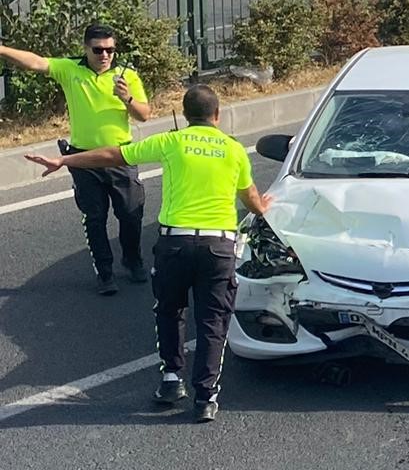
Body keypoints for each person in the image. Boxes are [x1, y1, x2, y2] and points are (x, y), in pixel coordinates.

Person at [27, 85, 268, 422]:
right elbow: (251, 197)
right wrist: (263, 207)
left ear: (185, 116)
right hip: (218, 246)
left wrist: (65, 159)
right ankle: (205, 398)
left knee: (169, 310)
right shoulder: (234, 149)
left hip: (174, 243)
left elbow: (114, 155)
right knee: (212, 321)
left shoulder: (171, 142)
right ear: (217, 115)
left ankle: (171, 380)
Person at [0, 24, 151, 294]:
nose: (105, 55)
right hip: (82, 158)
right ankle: (105, 274)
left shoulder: (126, 76)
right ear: (86, 49)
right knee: (94, 217)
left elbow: (144, 115)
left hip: (121, 156)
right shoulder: (71, 69)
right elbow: (35, 63)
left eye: (110, 50)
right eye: (98, 50)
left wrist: (127, 98)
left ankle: (132, 259)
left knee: (130, 214)